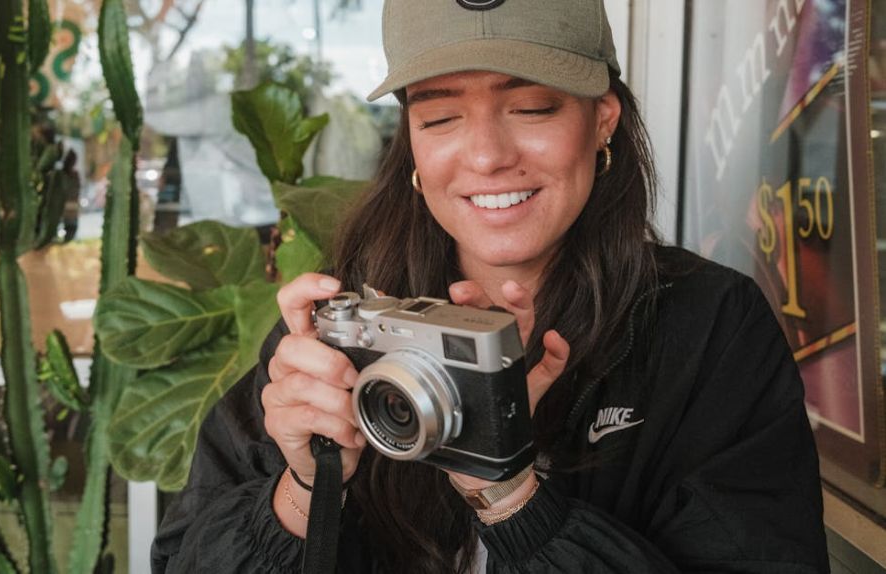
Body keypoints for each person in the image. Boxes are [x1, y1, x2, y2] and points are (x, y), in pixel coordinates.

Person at [152, 0, 829, 572]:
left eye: (532, 106)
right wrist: (305, 489)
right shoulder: (343, 329)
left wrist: (511, 496)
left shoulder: (709, 329)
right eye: (439, 117)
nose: (485, 155)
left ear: (603, 120)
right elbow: (182, 554)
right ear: (410, 145)